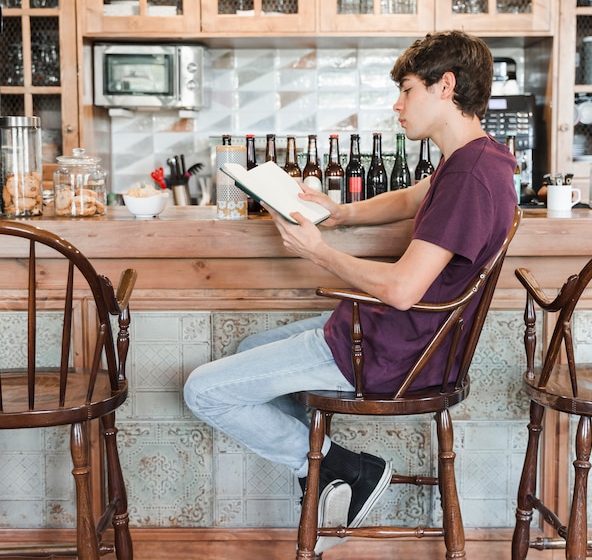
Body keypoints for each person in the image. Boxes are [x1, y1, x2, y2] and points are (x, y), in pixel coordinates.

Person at [184, 30, 517, 553]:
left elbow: (404, 289)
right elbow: (414, 197)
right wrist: (341, 213)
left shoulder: (471, 176)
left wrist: (316, 249)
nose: (398, 104)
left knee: (201, 390)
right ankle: (330, 477)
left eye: (407, 90)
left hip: (392, 350)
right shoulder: (478, 160)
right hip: (395, 335)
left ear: (445, 86)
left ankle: (343, 469)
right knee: (249, 353)